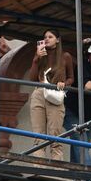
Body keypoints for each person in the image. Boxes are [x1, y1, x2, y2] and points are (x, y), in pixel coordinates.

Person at [28, 29, 74, 161]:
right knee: (38, 136)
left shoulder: (65, 56)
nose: (47, 39)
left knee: (55, 135)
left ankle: (57, 172)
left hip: (55, 95)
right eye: (45, 37)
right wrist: (36, 58)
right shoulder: (40, 55)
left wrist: (64, 83)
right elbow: (32, 79)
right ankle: (39, 169)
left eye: (50, 36)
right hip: (39, 93)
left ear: (58, 40)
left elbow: (71, 78)